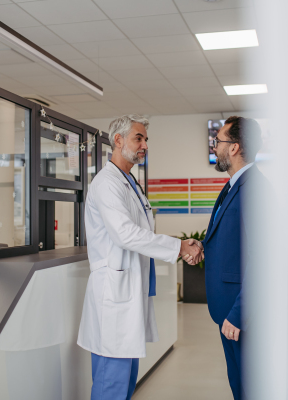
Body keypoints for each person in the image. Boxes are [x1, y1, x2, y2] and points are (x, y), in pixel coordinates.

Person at [77, 114, 203, 400]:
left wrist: (180, 244)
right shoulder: (107, 183)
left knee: (125, 381)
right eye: (139, 138)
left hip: (128, 294)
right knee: (112, 383)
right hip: (114, 296)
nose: (145, 144)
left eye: (146, 139)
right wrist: (180, 247)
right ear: (118, 140)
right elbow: (125, 234)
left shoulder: (129, 182)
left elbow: (139, 233)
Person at [201, 116, 267, 400]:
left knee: (250, 386)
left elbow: (263, 259)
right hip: (228, 309)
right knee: (239, 384)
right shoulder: (233, 187)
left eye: (219, 142)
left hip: (241, 313)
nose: (215, 147)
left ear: (235, 147)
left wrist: (239, 313)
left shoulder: (254, 189)